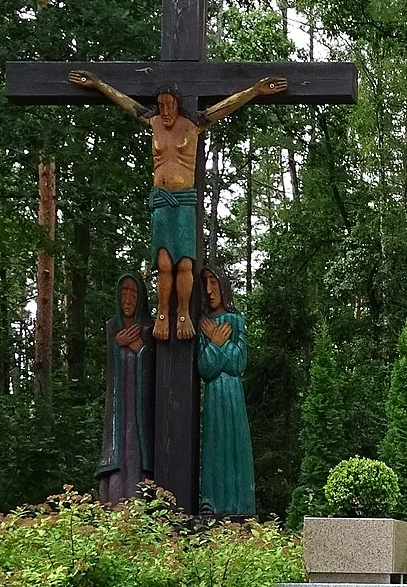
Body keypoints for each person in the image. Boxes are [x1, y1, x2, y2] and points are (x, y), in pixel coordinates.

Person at [65, 70, 285, 339]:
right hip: (160, 200)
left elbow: (224, 106)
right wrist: (99, 84)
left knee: (183, 264)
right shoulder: (154, 123)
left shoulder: (193, 124)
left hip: (183, 200)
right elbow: (126, 102)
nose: (166, 111)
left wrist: (254, 91)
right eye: (161, 105)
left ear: (178, 104)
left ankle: (182, 313)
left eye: (170, 105)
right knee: (163, 264)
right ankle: (162, 313)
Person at [197, 267, 254, 516]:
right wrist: (217, 344)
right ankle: (212, 502)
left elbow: (238, 363)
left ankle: (240, 504)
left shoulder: (237, 321)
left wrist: (216, 344)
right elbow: (205, 367)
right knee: (213, 444)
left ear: (223, 286)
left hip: (233, 395)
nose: (209, 290)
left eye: (214, 283)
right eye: (205, 284)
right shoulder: (202, 324)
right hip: (213, 395)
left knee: (235, 446)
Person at [97, 275, 153, 503]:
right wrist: (116, 345)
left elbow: (155, 371)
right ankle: (114, 497)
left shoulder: (149, 329)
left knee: (136, 448)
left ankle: (139, 497)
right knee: (117, 447)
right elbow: (109, 371)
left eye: (133, 293)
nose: (128, 299)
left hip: (140, 409)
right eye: (124, 292)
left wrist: (141, 350)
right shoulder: (112, 327)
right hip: (118, 408)